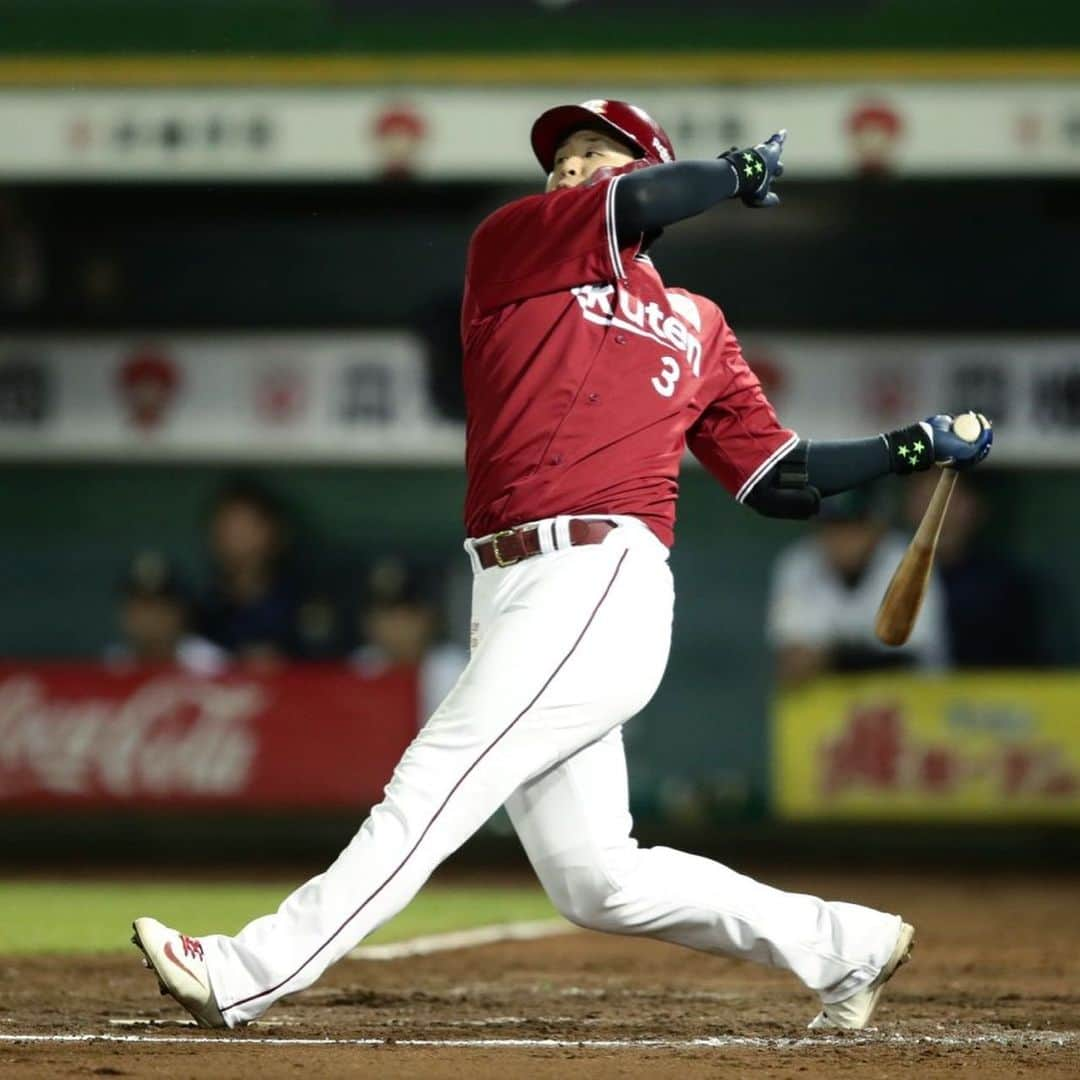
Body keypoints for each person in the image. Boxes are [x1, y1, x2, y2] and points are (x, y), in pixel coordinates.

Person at [133, 99, 991, 1032]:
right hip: (508, 585)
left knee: (437, 778)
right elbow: (639, 203)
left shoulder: (700, 323)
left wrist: (910, 446)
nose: (571, 169)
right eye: (565, 157)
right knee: (598, 881)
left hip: (600, 576)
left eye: (595, 154)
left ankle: (243, 971)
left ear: (641, 169)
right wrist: (730, 175)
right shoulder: (518, 246)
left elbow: (778, 480)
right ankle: (848, 946)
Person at [768, 484, 948, 688]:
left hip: (916, 707)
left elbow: (906, 659)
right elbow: (793, 661)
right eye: (833, 525)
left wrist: (829, 657)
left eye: (853, 524)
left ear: (878, 525)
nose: (843, 538)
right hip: (827, 712)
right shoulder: (798, 565)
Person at [902, 472, 1049, 667]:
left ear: (976, 507)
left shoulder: (1005, 586)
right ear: (908, 507)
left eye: (951, 498)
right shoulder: (887, 575)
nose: (938, 513)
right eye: (925, 499)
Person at [351, 557, 469, 728]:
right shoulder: (361, 668)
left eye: (407, 614)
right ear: (368, 622)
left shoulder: (455, 670)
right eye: (386, 614)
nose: (397, 626)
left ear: (428, 617)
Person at [197, 483, 305, 667]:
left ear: (271, 531)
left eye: (244, 526)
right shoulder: (204, 609)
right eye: (226, 526)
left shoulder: (302, 599)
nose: (233, 536)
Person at [105, 551, 227, 676]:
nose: (149, 617)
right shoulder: (113, 665)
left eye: (160, 606)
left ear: (180, 612)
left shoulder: (209, 663)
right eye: (140, 606)